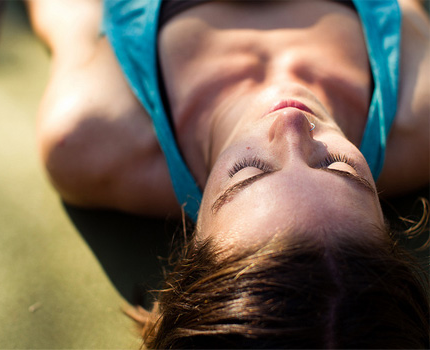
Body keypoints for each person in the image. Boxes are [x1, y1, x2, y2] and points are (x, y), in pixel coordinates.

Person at [28, 0, 429, 348]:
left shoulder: (93, 141)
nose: (291, 123)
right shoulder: (420, 117)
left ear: (193, 245)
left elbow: (71, 15)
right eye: (337, 165)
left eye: (248, 172)